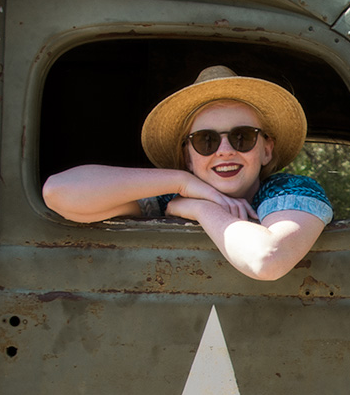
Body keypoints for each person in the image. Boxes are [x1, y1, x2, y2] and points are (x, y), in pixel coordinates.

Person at [42, 66, 332, 281]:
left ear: (266, 150)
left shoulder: (290, 190)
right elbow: (59, 193)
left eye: (242, 137)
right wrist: (181, 182)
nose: (225, 150)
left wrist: (200, 208)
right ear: (187, 156)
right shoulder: (169, 196)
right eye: (205, 140)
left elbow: (266, 259)